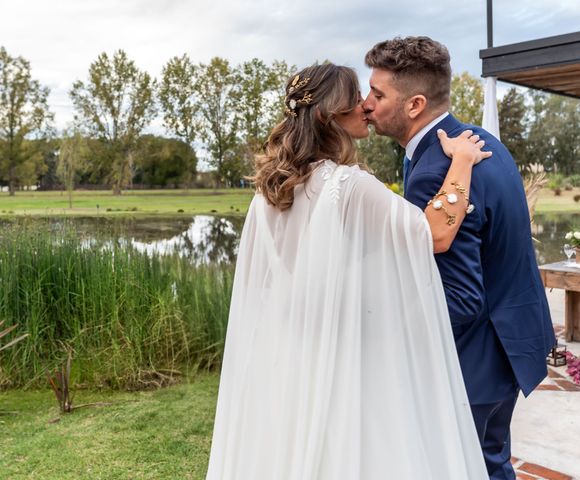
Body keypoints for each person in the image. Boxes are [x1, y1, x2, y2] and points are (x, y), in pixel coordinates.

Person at [206, 62, 491, 479]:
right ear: (328, 116)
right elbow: (434, 234)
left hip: (291, 357)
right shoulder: (347, 185)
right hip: (343, 358)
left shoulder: (270, 191)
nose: (365, 106)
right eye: (354, 98)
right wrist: (462, 161)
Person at [363, 37, 556, 480]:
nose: (367, 104)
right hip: (507, 340)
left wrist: (392, 340)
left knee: (469, 468)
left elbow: (460, 299)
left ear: (414, 105)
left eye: (377, 94)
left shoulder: (435, 168)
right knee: (491, 463)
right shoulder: (475, 142)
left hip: (474, 361)